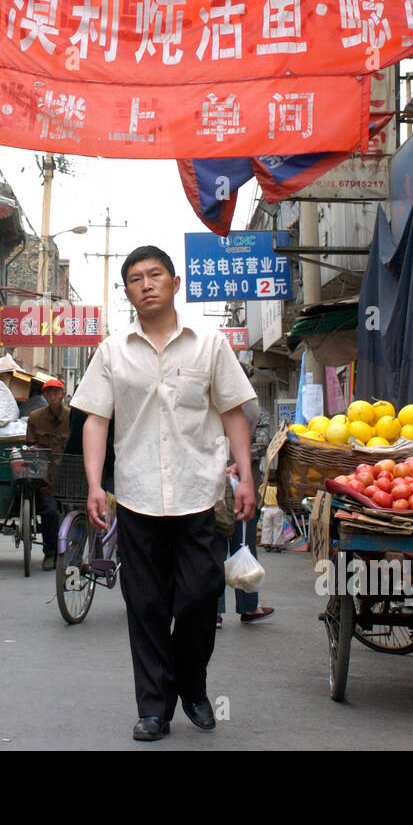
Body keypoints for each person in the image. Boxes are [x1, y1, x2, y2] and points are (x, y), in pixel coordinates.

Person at [71, 245, 257, 742]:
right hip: (137, 496)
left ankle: (191, 686)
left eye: (155, 275)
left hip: (200, 492)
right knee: (146, 605)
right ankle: (154, 708)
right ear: (128, 291)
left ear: (175, 283)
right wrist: (95, 484)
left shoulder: (209, 344)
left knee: (200, 597)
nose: (146, 284)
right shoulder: (112, 350)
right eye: (135, 278)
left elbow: (234, 409)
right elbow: (96, 418)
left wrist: (247, 475)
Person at [216, 381, 273, 628]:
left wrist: (224, 467)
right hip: (246, 487)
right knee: (244, 546)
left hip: (216, 489)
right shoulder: (258, 412)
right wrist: (240, 466)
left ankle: (213, 610)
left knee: (214, 549)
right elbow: (261, 445)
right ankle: (249, 607)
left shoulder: (214, 406)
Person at [27, 378, 71, 571]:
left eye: (56, 393)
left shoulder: (72, 417)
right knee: (50, 512)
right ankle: (50, 553)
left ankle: (72, 554)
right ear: (44, 396)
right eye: (49, 393)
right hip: (45, 479)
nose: (53, 397)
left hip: (69, 476)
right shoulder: (35, 417)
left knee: (72, 512)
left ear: (62, 394)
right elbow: (30, 444)